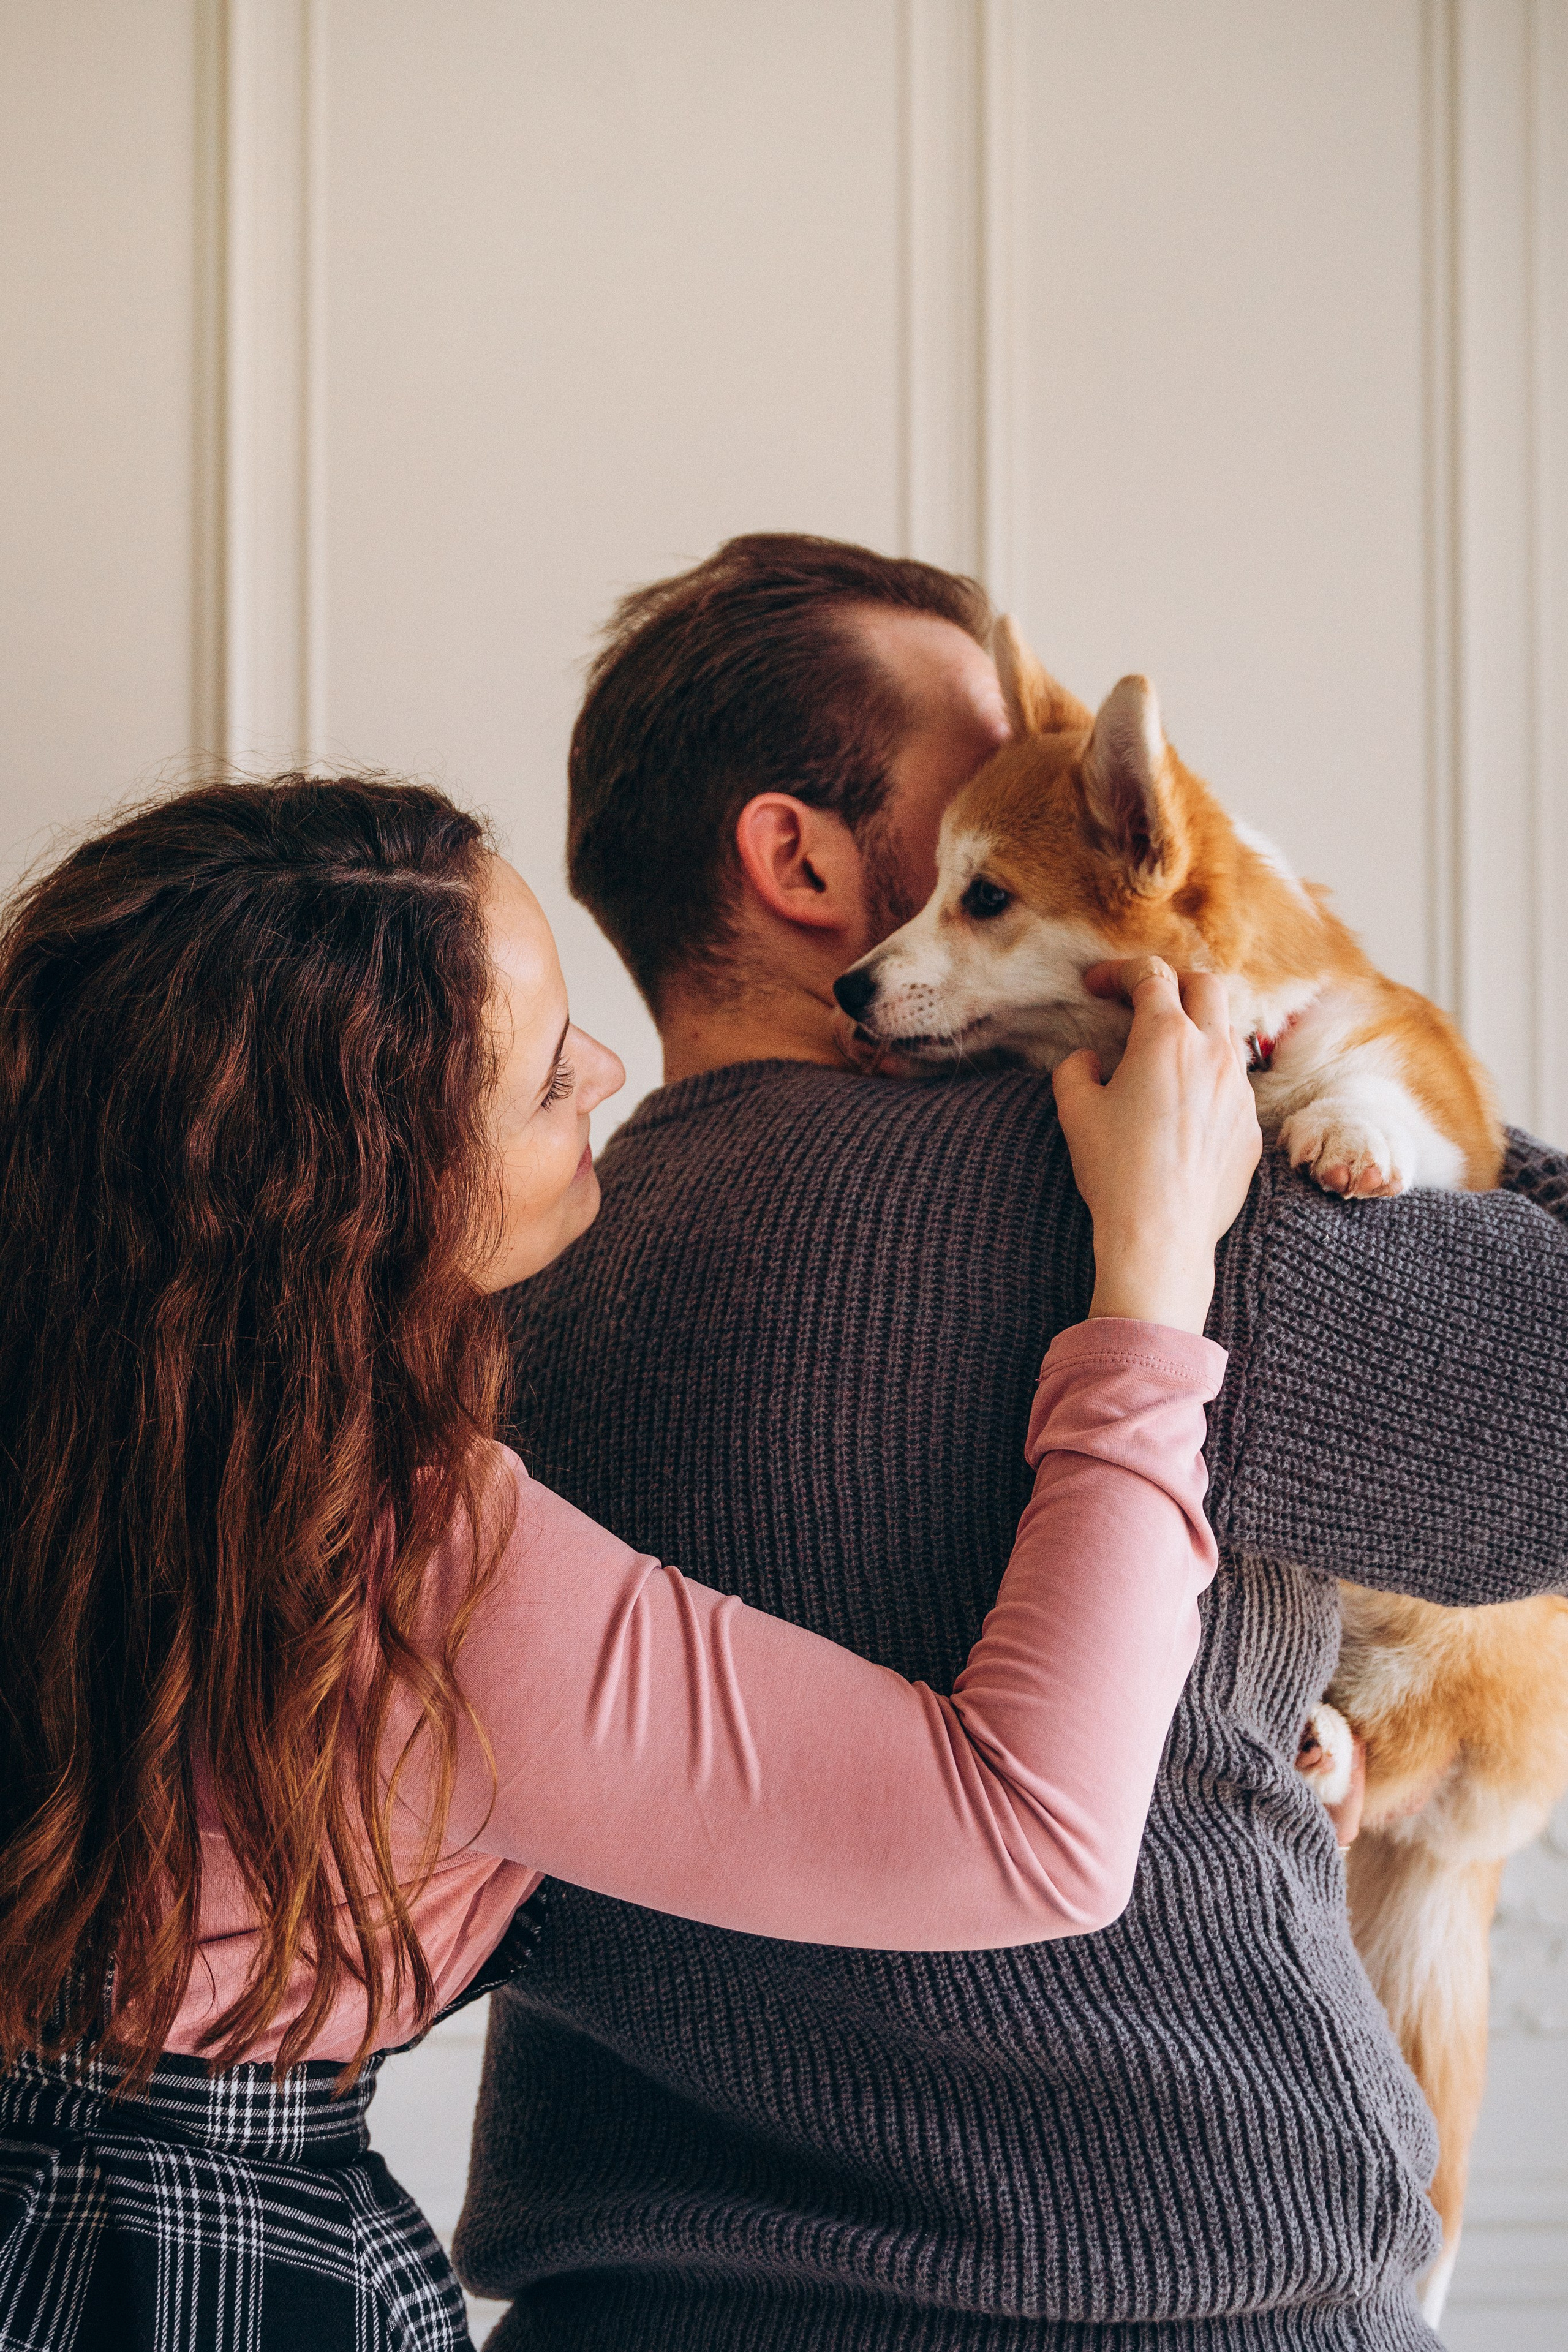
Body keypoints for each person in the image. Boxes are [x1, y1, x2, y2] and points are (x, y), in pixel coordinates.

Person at [456, 533, 1568, 2352]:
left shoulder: (493, 1297)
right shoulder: (1131, 1193)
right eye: (983, 765)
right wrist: (1297, 990)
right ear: (801, 861)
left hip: (624, 2300)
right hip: (1184, 2303)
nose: (1040, 780)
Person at [0, 775, 1260, 2352]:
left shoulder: (88, 1421)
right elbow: (1028, 1831)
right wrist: (1151, 1276)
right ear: (365, 1204)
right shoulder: (403, 1568)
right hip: (189, 2280)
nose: (603, 1070)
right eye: (539, 1083)